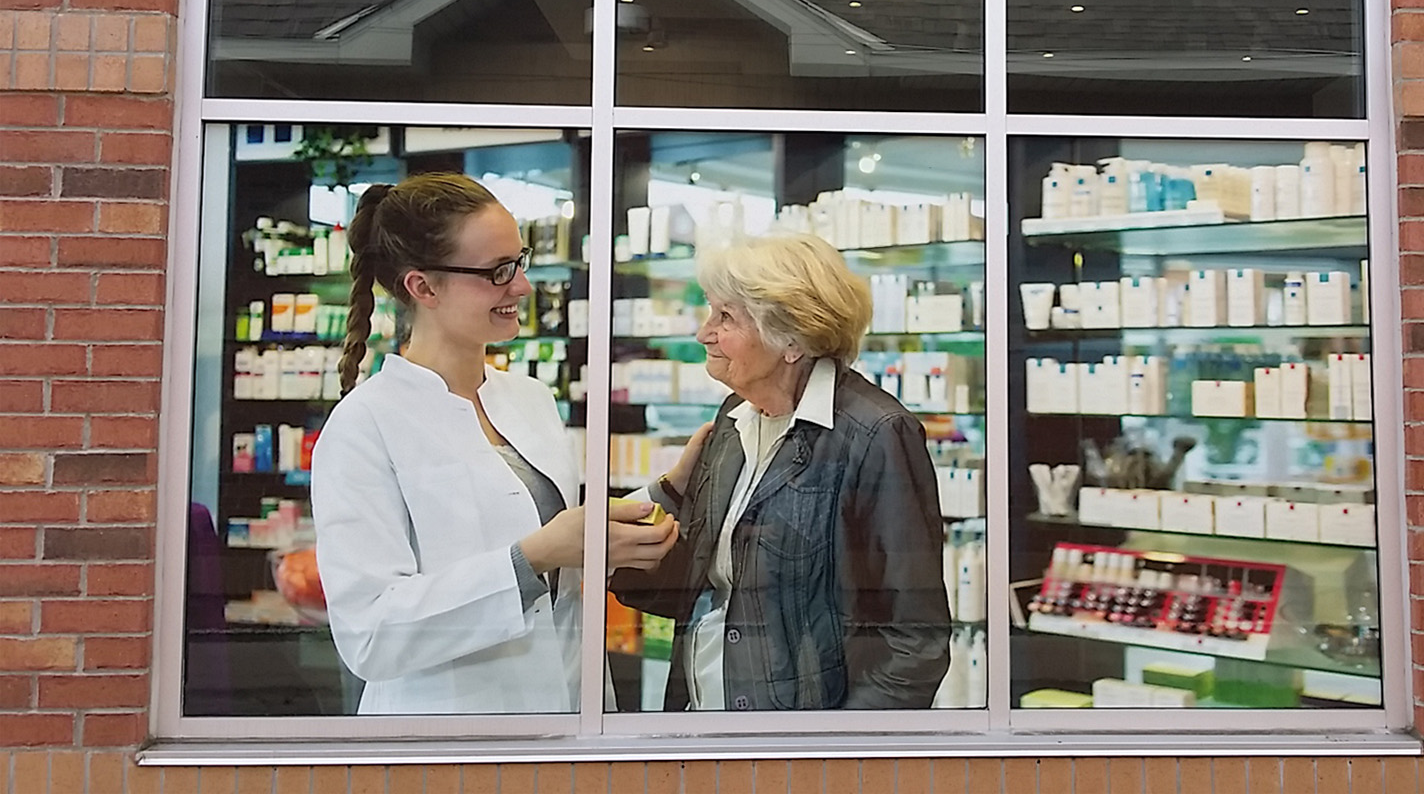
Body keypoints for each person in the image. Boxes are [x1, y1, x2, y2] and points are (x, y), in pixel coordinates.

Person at [311, 172, 678, 715]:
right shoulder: (364, 426)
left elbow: (560, 554)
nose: (523, 287)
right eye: (497, 271)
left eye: (520, 260)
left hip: (571, 715)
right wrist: (533, 558)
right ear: (423, 287)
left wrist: (666, 491)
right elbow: (371, 633)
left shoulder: (529, 398)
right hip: (445, 733)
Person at [613, 232, 951, 711]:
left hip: (798, 748)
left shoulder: (875, 435)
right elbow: (693, 586)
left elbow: (914, 638)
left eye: (725, 317)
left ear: (791, 339)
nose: (703, 333)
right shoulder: (733, 419)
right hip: (701, 719)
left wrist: (839, 758)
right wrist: (666, 494)